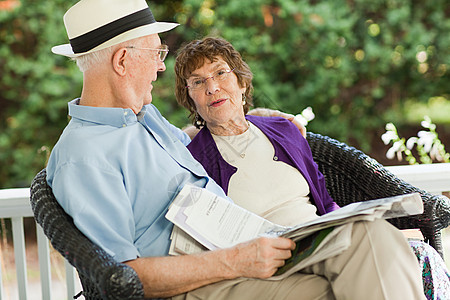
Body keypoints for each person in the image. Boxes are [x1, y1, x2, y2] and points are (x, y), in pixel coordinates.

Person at [45, 1, 318, 299]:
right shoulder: (82, 158)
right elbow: (122, 279)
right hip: (205, 281)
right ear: (122, 61)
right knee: (335, 278)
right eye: (156, 53)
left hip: (242, 247)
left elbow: (188, 141)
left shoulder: (143, 116)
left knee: (369, 238)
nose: (161, 66)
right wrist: (236, 260)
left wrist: (250, 119)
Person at [174, 37, 428, 299]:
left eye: (219, 73)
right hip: (265, 261)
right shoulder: (193, 160)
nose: (212, 87)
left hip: (317, 241)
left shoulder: (283, 130)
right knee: (375, 239)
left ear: (241, 82)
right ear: (190, 99)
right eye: (198, 82)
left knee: (378, 237)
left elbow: (326, 202)